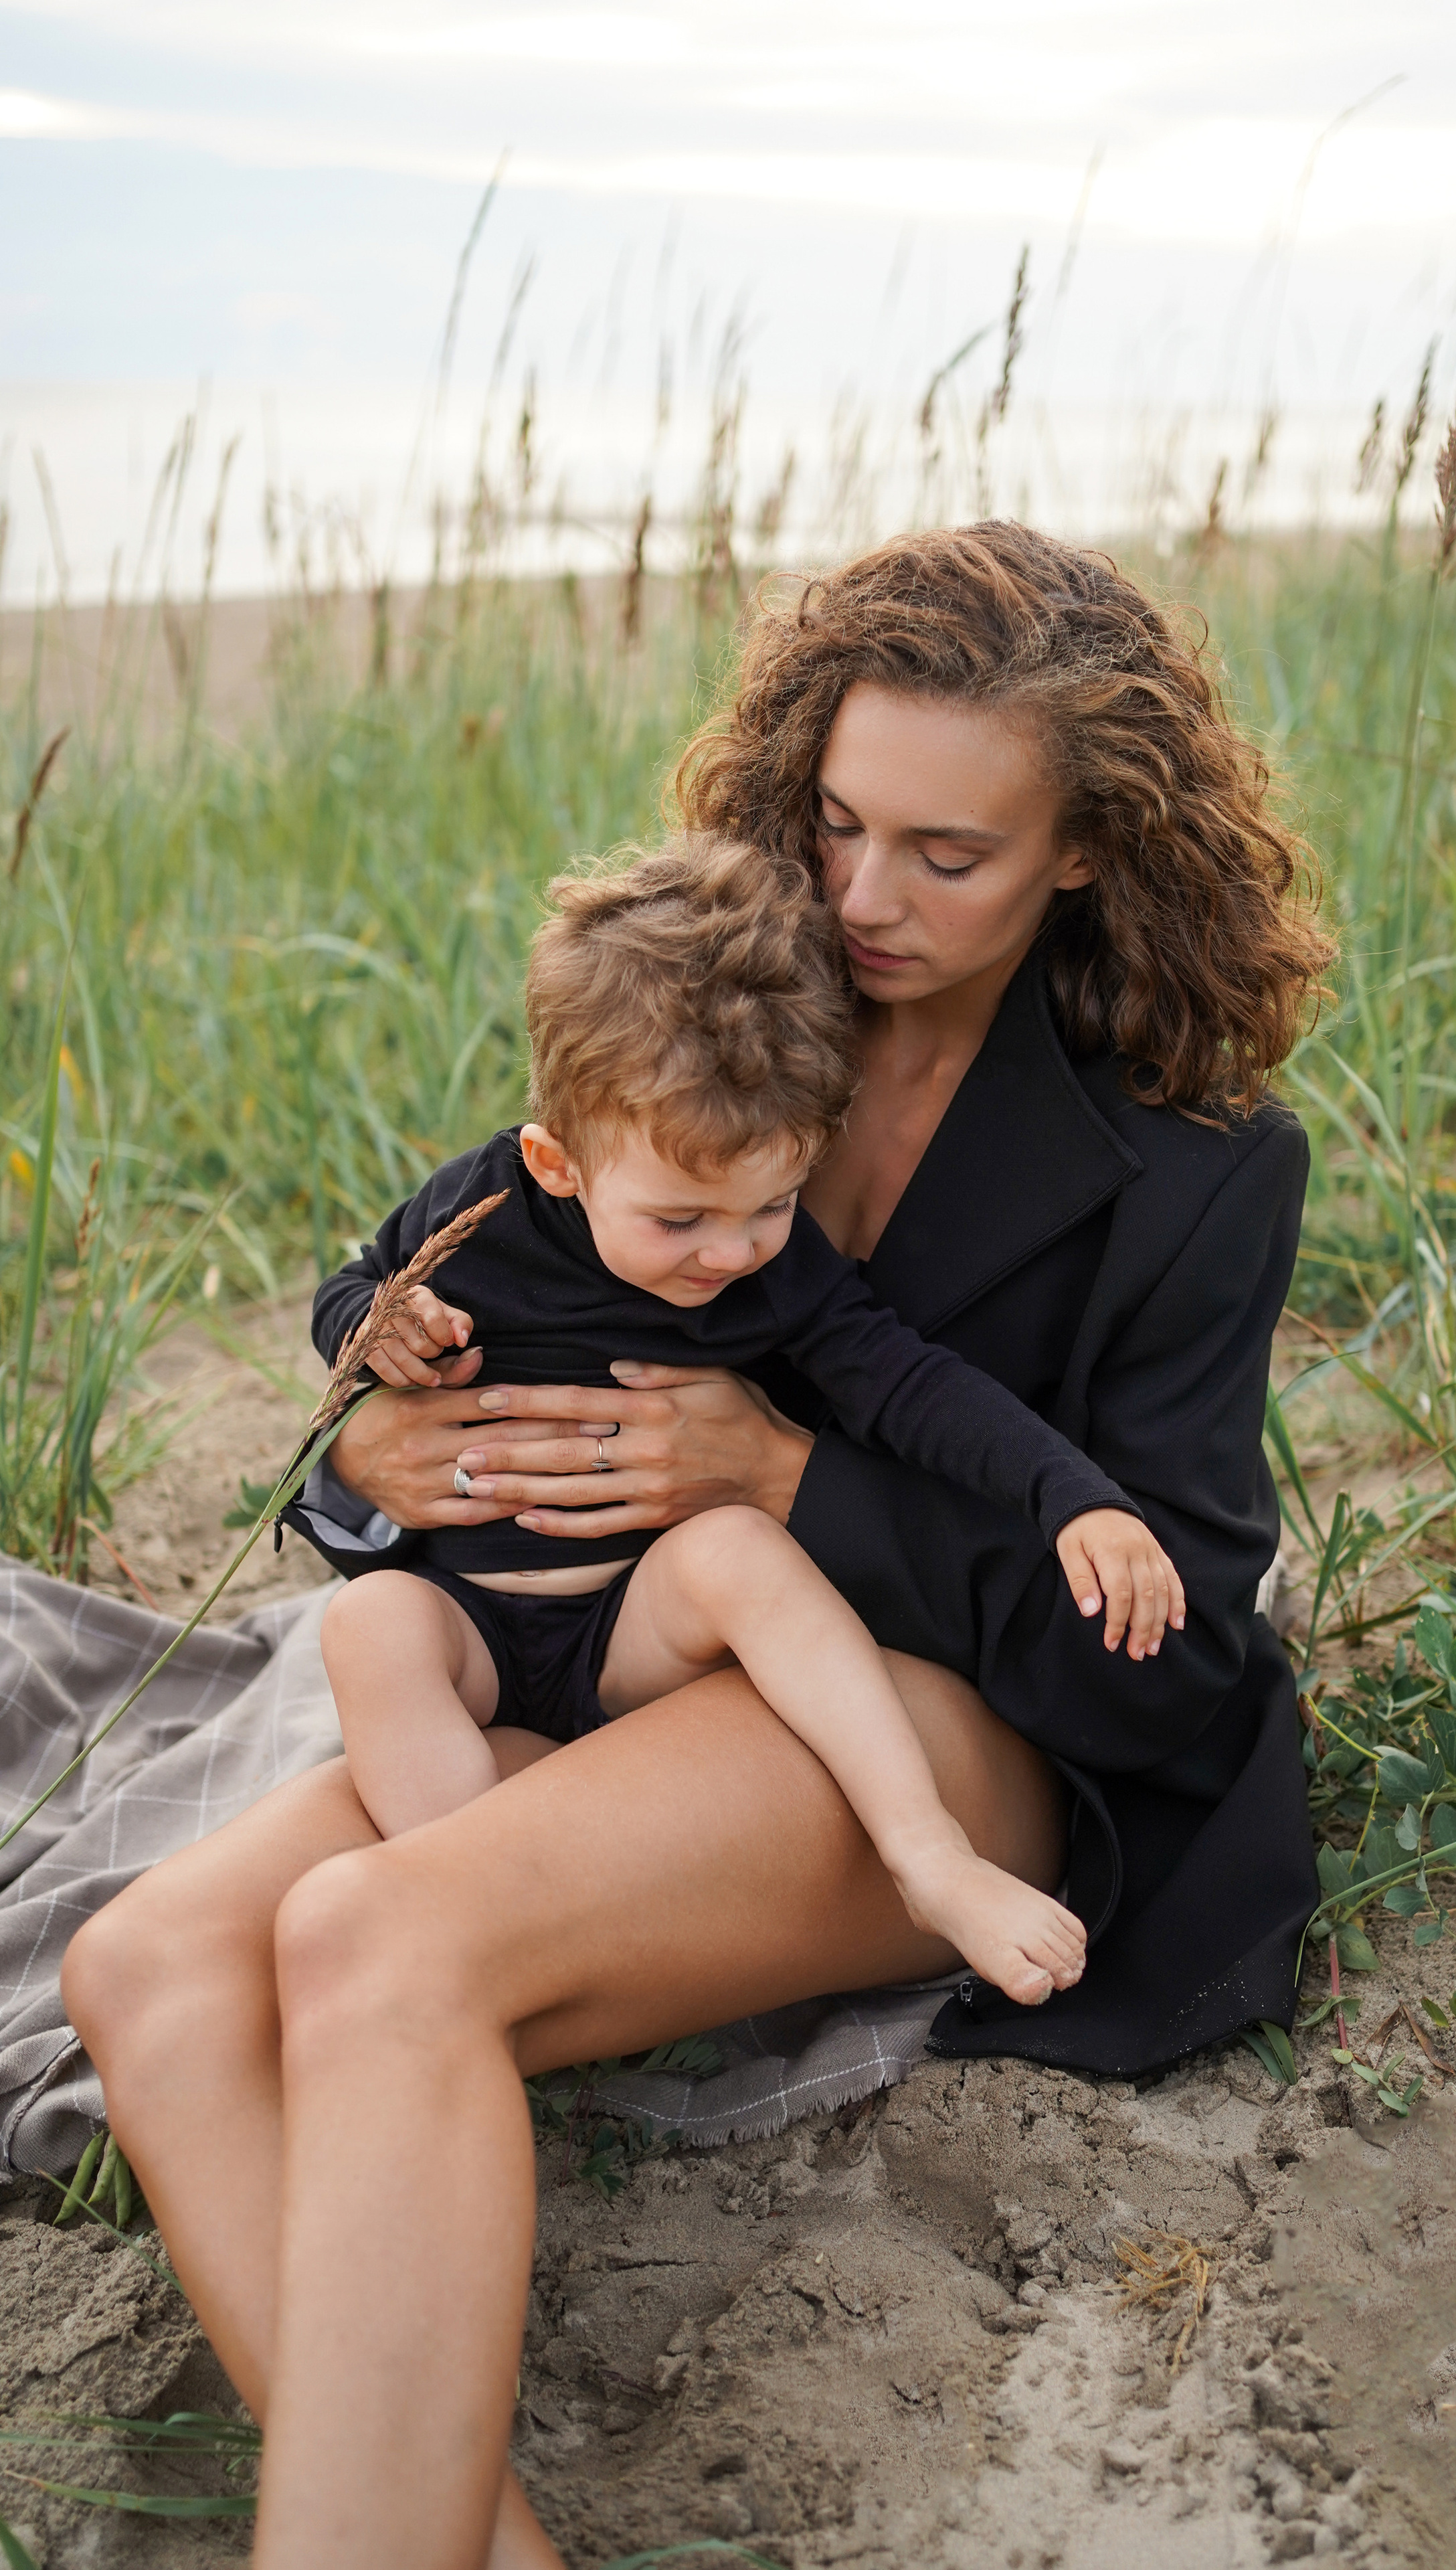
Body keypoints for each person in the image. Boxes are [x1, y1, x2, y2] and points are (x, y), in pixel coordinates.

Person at [62, 521, 1334, 2570]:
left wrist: (785, 1483)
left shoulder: (1199, 1170)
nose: (863, 899)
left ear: (1085, 848)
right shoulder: (720, 1010)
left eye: (949, 852)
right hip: (622, 1668)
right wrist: (380, 1448)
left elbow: (1174, 1669)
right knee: (152, 1967)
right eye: (836, 823)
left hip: (950, 1720)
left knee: (374, 1945)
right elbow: (482, 1331)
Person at [317, 835, 1184, 2004]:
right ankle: (468, 1882)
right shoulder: (483, 1205)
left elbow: (911, 1383)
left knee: (737, 1549)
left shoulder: (773, 1268)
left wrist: (1070, 1491)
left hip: (635, 1635)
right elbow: (353, 1287)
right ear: (557, 1163)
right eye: (681, 1220)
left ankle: (927, 1855)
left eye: (771, 1205)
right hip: (468, 1622)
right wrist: (379, 1328)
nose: (730, 1256)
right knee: (369, 1626)